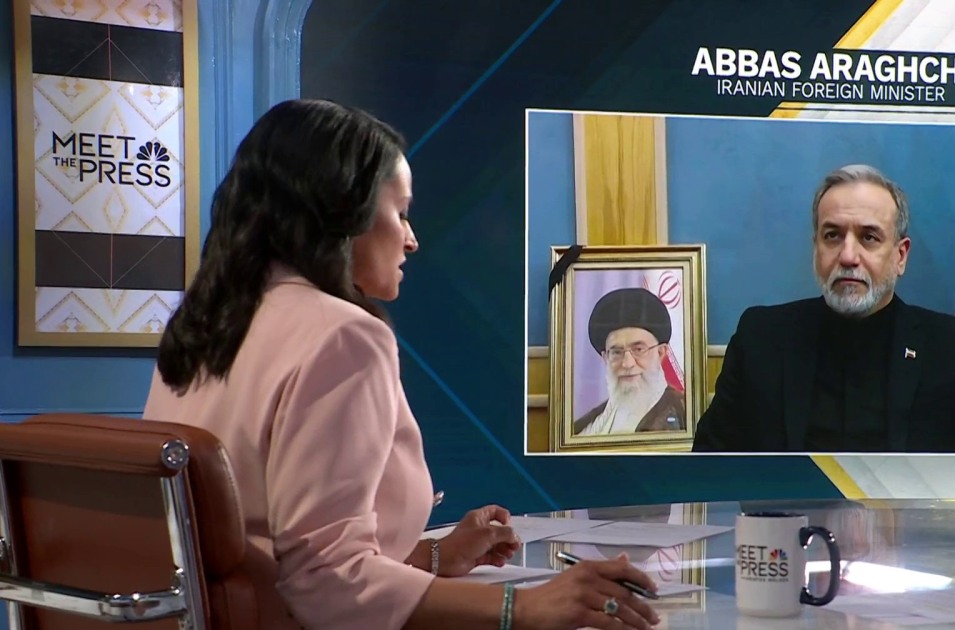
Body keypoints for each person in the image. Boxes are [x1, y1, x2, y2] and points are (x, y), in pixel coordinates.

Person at [143, 99, 660, 630]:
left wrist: (431, 556)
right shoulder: (343, 336)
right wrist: (525, 606)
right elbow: (325, 580)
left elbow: (263, 548)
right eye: (401, 212)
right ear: (344, 212)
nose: (412, 239)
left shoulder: (204, 325)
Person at [691, 164, 955, 454]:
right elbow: (706, 470)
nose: (848, 256)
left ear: (900, 256)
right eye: (833, 236)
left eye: (869, 237)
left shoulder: (953, 349)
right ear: (816, 248)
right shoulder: (760, 339)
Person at [574, 288, 686, 436]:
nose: (627, 364)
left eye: (638, 349)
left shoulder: (684, 412)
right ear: (605, 358)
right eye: (616, 352)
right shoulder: (588, 426)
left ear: (660, 353)